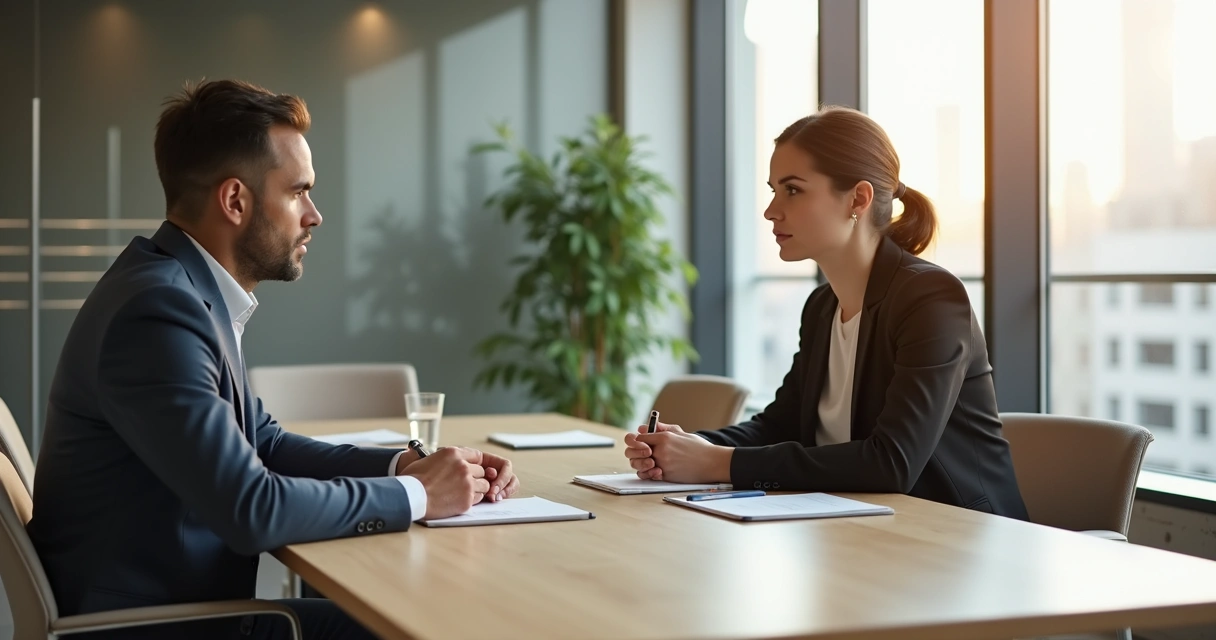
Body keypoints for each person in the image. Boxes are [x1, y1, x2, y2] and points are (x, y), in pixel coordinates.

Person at [27, 79, 520, 640]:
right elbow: (251, 507)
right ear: (235, 200)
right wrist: (422, 495)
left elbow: (266, 444)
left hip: (176, 608)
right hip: (148, 626)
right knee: (427, 623)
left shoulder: (182, 289)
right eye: (298, 192)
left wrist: (405, 467)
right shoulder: (159, 311)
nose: (314, 215)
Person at [623, 107, 1028, 519]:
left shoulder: (931, 299)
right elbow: (780, 426)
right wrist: (687, 447)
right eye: (773, 190)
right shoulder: (821, 307)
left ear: (858, 198)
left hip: (958, 537)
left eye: (793, 190)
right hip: (860, 530)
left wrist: (717, 462)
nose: (771, 210)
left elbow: (892, 463)